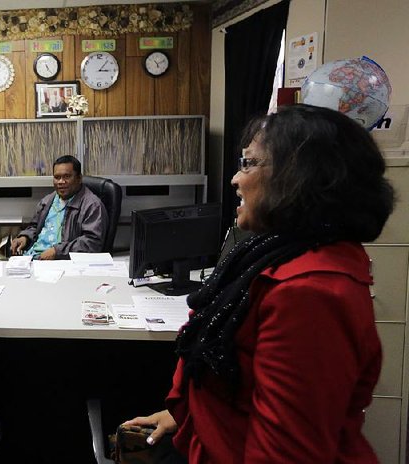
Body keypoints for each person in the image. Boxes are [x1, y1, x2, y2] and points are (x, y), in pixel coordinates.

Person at [122, 104, 394, 463]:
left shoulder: (309, 292)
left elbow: (286, 454)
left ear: (299, 176)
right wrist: (185, 413)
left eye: (248, 163)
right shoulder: (276, 253)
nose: (235, 179)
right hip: (202, 437)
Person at [10, 155, 107, 259]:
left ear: (79, 178)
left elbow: (92, 243)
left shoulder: (92, 205)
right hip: (32, 258)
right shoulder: (47, 201)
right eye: (57, 177)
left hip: (60, 262)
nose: (61, 182)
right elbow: (34, 226)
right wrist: (25, 237)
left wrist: (57, 252)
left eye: (67, 176)